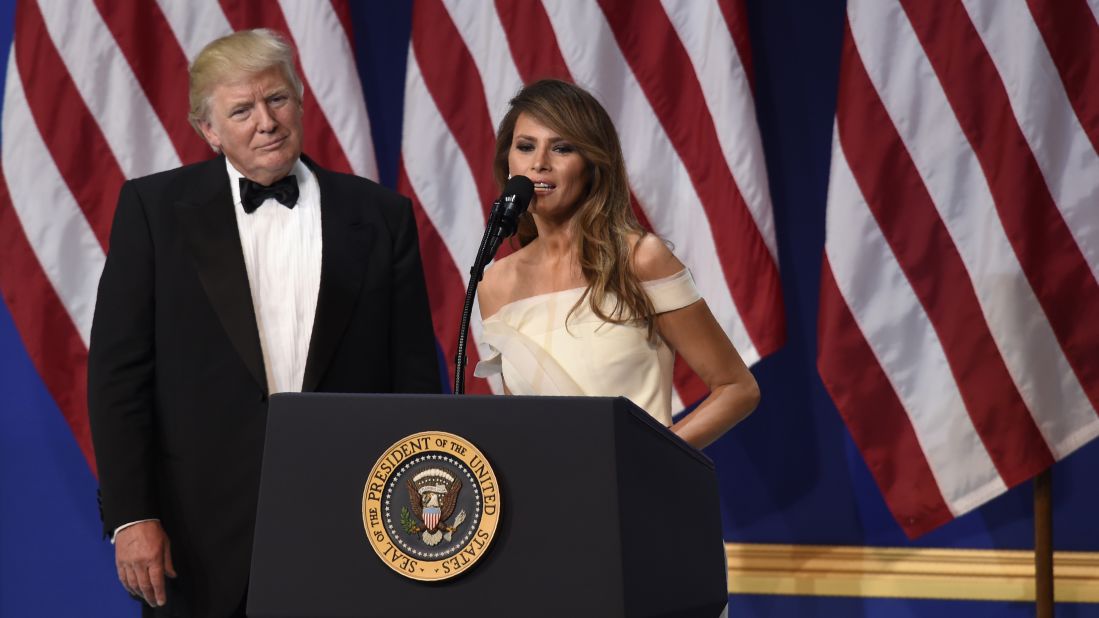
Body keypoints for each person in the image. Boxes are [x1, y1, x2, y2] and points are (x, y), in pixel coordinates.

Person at [87, 29, 439, 616]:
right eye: (242, 110)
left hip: (356, 522)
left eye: (277, 100)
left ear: (300, 103)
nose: (266, 122)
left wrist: (417, 517)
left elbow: (412, 379)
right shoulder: (153, 212)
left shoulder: (381, 216)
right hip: (196, 537)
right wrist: (132, 514)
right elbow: (117, 375)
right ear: (210, 131)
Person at [475, 79, 759, 449]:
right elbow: (522, 423)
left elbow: (737, 388)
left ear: (593, 164)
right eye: (525, 147)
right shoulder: (496, 284)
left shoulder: (640, 258)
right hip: (550, 500)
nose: (540, 163)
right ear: (508, 162)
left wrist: (647, 461)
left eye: (561, 148)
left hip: (636, 497)